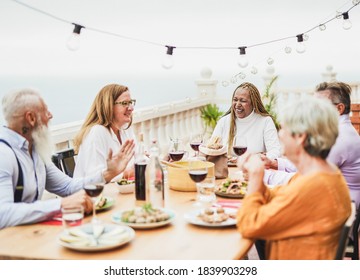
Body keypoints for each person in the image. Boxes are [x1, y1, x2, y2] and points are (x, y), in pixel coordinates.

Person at [0, 88, 135, 229]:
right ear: (31, 118)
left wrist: (108, 174)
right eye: (46, 112)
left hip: (28, 233)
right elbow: (2, 215)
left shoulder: (35, 151)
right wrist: (61, 204)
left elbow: (67, 187)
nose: (51, 116)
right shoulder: (4, 154)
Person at [237, 95, 351, 260]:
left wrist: (255, 179)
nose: (280, 135)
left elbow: (248, 225)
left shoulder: (315, 185)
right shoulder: (321, 173)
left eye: (283, 129)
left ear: (300, 137)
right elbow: (281, 198)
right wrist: (258, 179)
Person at [262, 82, 360, 209]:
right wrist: (275, 163)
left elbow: (307, 179)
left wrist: (265, 176)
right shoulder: (340, 131)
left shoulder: (339, 139)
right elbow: (310, 167)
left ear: (339, 109)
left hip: (334, 207)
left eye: (319, 107)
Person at [73, 84, 136, 181]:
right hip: (93, 195)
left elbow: (138, 160)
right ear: (109, 106)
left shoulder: (125, 130)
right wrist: (127, 173)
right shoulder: (96, 132)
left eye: (131, 102)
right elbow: (93, 179)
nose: (131, 108)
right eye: (124, 103)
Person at [212, 82, 281, 160]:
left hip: (253, 169)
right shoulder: (224, 121)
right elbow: (212, 148)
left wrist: (257, 158)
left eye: (243, 101)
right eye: (235, 100)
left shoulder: (265, 121)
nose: (237, 104)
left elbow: (275, 151)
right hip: (228, 170)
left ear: (254, 103)